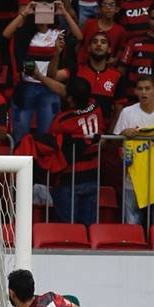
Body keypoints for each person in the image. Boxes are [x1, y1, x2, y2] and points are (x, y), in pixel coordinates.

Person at [4, 0, 83, 143]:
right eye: (40, 11)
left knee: (47, 133)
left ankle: (44, 164)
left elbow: (79, 37)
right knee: (21, 131)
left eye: (47, 11)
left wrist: (64, 12)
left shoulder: (58, 34)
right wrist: (25, 12)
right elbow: (6, 34)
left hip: (49, 87)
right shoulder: (25, 34)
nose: (43, 14)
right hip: (26, 86)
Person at [47, 77, 104, 226]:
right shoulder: (96, 107)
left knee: (68, 230)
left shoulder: (62, 121)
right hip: (93, 176)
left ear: (70, 99)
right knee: (89, 229)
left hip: (69, 180)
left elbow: (52, 146)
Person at [112, 76, 154, 225]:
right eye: (140, 89)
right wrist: (124, 133)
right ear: (135, 91)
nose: (144, 92)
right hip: (133, 179)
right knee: (132, 225)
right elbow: (115, 143)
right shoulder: (127, 113)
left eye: (148, 88)